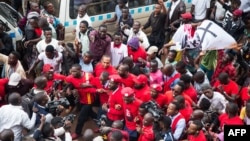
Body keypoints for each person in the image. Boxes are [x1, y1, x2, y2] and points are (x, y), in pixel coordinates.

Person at [66, 64, 97, 139]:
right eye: (72, 71)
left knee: (81, 117)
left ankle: (78, 132)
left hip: (89, 99)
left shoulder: (89, 76)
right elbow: (70, 83)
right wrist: (69, 88)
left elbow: (96, 87)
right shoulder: (72, 77)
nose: (72, 73)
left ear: (80, 70)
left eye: (75, 71)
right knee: (91, 113)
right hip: (81, 98)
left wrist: (88, 85)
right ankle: (101, 123)